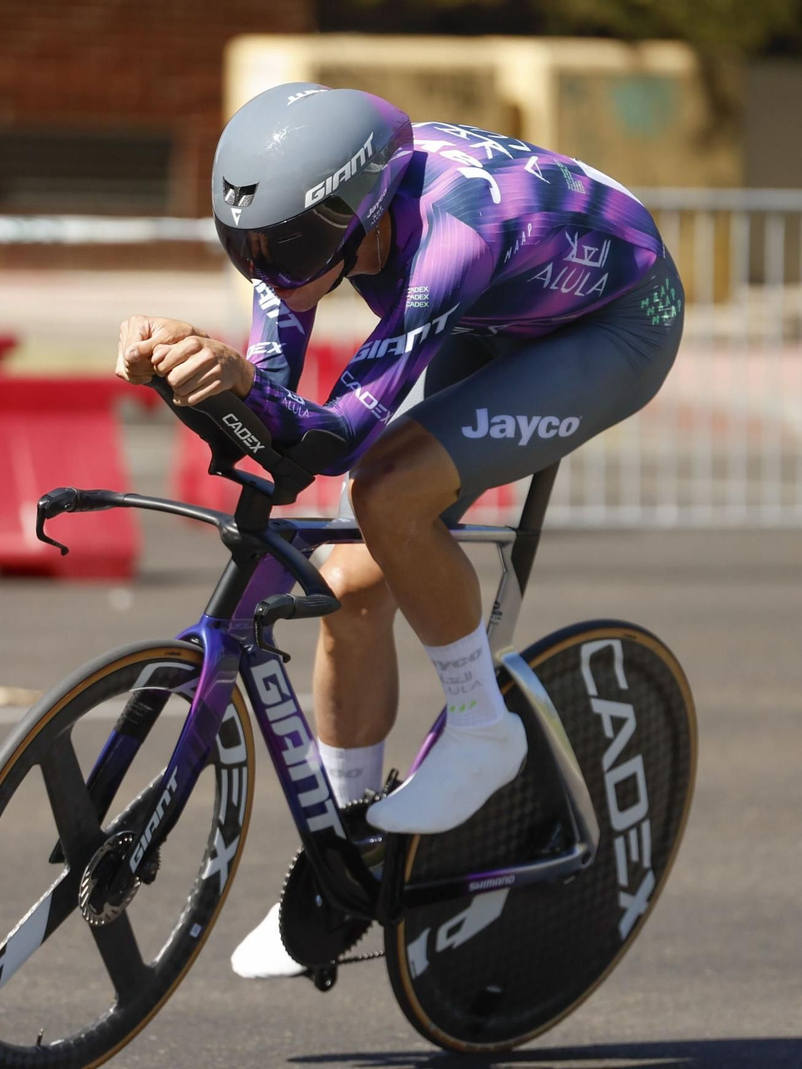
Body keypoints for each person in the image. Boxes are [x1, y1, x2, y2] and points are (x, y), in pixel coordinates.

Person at [114, 84, 682, 978]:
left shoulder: (449, 236)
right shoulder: (310, 221)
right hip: (504, 309)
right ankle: (345, 866)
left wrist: (237, 380)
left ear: (364, 208)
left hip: (609, 328)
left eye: (289, 246)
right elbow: (274, 378)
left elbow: (335, 440)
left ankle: (480, 725)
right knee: (342, 589)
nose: (271, 268)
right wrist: (206, 373)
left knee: (387, 490)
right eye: (246, 247)